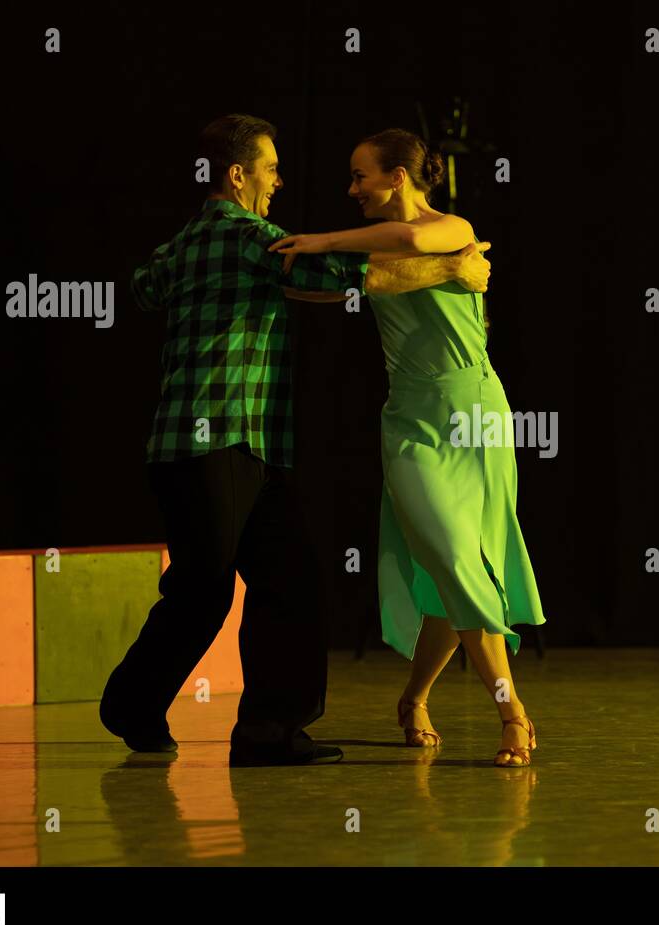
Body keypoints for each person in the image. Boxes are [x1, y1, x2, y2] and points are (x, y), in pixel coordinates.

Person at [99, 115, 492, 767]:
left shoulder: (188, 242)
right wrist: (454, 266)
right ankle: (133, 701)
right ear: (237, 174)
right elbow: (346, 277)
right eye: (270, 167)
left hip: (240, 448)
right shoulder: (250, 237)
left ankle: (269, 730)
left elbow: (143, 287)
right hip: (213, 443)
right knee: (205, 589)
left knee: (289, 580)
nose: (279, 180)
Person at [269, 129, 545, 767]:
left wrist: (324, 240)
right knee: (451, 557)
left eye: (361, 176)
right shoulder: (419, 253)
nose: (351, 189)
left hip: (477, 412)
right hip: (412, 421)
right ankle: (513, 712)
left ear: (398, 176)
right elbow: (337, 287)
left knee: (462, 568)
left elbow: (414, 243)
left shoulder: (452, 226)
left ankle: (414, 699)